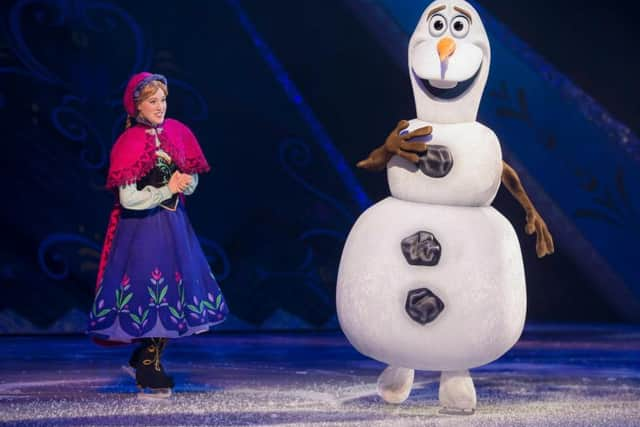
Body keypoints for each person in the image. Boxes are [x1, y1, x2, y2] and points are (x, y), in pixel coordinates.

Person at [88, 72, 228, 397]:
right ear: (137, 106)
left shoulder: (177, 133)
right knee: (148, 290)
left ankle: (147, 357)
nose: (160, 106)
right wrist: (167, 187)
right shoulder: (129, 142)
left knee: (174, 290)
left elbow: (191, 183)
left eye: (163, 100)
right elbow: (128, 199)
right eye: (153, 101)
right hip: (141, 229)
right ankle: (148, 363)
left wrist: (182, 183)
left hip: (174, 226)